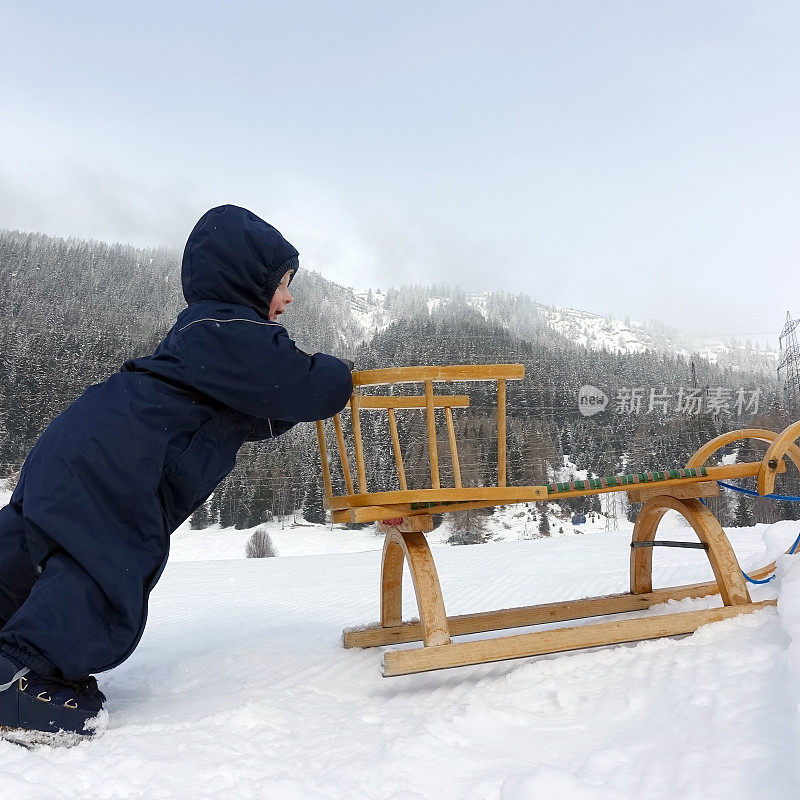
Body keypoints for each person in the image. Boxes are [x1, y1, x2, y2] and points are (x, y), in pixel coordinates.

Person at [0, 205, 353, 744]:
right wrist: (343, 373)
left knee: (27, 541)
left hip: (78, 442)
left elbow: (254, 409)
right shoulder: (235, 332)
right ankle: (23, 678)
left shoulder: (206, 335)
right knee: (105, 558)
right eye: (282, 284)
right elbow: (308, 386)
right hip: (118, 464)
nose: (287, 299)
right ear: (247, 280)